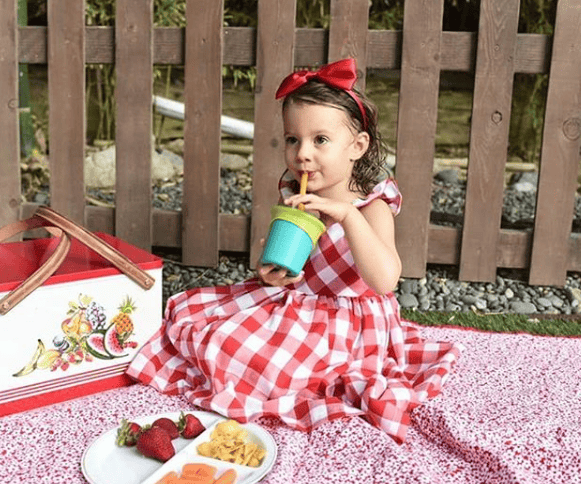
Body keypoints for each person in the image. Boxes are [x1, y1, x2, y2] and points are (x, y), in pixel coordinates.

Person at [127, 58, 462, 444]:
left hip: (351, 322)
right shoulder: (297, 194)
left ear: (357, 146)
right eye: (292, 139)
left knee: (280, 373)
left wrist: (347, 217)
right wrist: (271, 273)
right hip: (298, 302)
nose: (302, 153)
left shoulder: (373, 206)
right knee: (219, 337)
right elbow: (287, 261)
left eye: (320, 140)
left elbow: (385, 279)